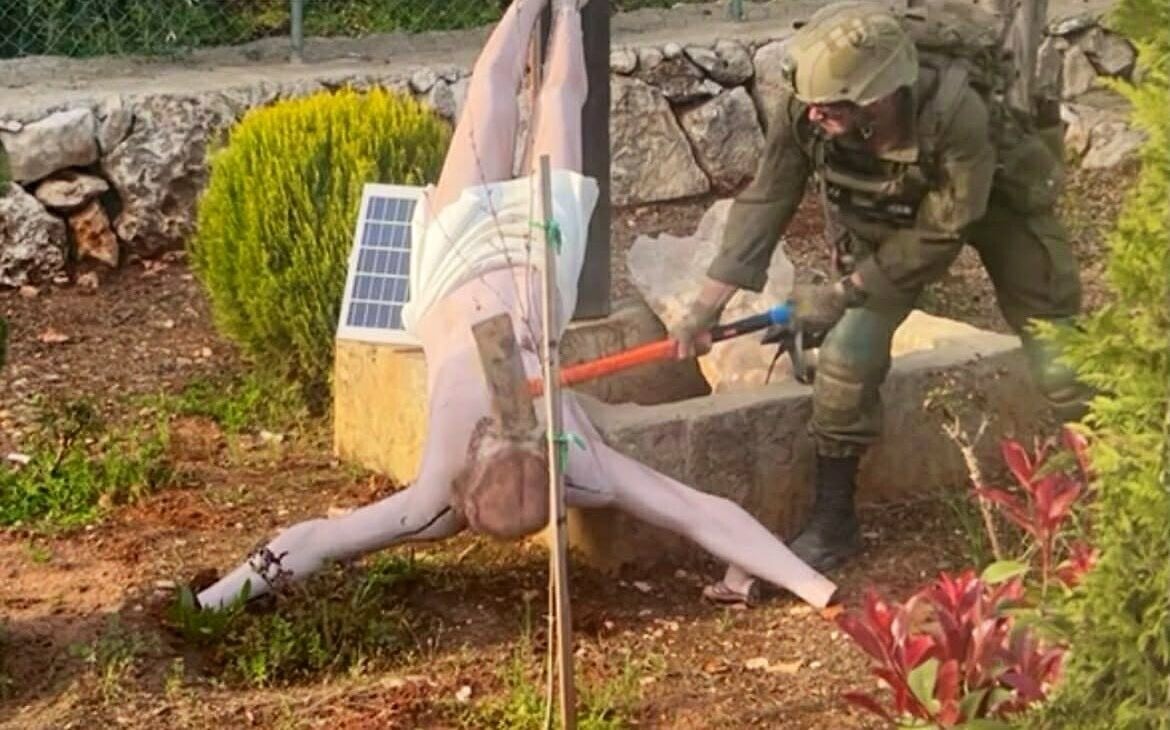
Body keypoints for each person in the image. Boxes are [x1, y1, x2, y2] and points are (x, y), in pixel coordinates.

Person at [195, 0, 838, 613]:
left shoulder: (445, 497)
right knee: (545, 101)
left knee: (498, 99)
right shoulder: (578, 470)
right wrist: (816, 590)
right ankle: (554, 8)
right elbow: (702, 512)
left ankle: (557, 8)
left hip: (457, 261)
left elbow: (318, 540)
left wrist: (216, 599)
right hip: (535, 254)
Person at [671, 1, 1088, 588]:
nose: (814, 114)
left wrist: (844, 290)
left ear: (880, 96)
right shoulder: (807, 107)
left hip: (995, 203)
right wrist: (704, 308)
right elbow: (767, 198)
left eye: (832, 105)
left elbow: (946, 227)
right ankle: (833, 522)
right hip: (890, 221)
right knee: (847, 357)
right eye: (812, 102)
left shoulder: (956, 111)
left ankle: (1113, 478)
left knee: (1057, 351)